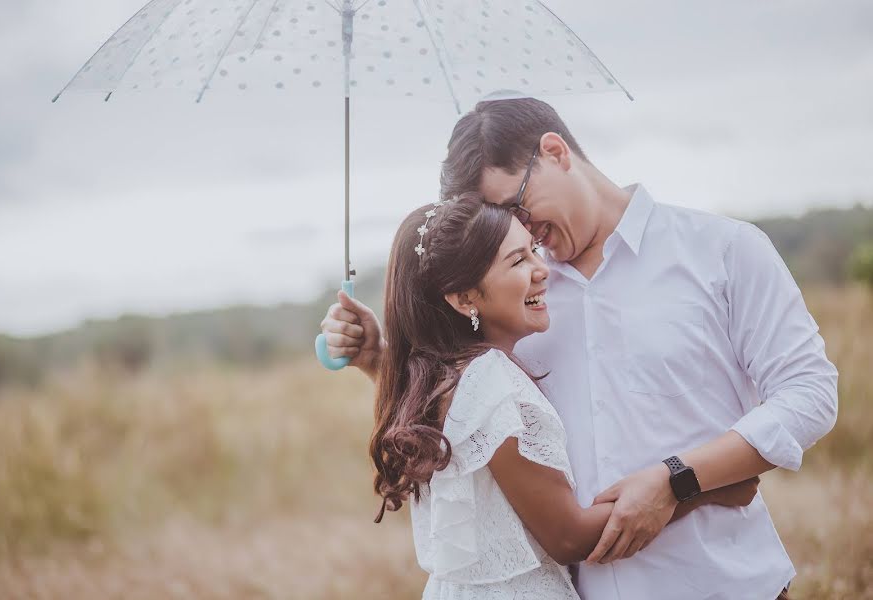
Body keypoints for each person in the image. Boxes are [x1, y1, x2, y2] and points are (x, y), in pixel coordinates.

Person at [322, 97, 838, 600]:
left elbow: (810, 394)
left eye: (515, 207)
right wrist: (379, 359)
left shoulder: (722, 250)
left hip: (722, 581)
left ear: (555, 151)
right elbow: (463, 408)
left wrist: (680, 479)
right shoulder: (519, 299)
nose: (521, 230)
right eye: (500, 225)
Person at [369, 195, 760, 599]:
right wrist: (701, 489)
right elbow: (569, 538)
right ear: (465, 299)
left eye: (534, 251)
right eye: (518, 261)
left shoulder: (439, 378)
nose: (543, 271)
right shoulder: (489, 381)